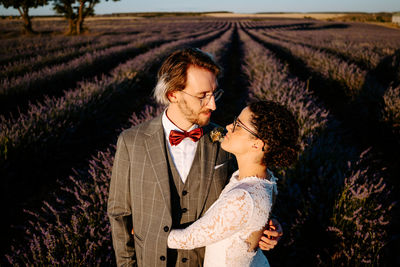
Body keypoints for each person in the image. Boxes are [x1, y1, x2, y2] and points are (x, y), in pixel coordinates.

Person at [107, 48, 282, 267]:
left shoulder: (225, 141)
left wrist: (265, 224)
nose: (213, 105)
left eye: (214, 93)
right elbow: (119, 214)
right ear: (173, 94)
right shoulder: (132, 142)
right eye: (202, 96)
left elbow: (249, 189)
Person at [167, 100, 300, 266]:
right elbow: (250, 214)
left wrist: (144, 231)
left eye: (238, 125)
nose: (228, 127)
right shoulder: (266, 179)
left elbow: (188, 239)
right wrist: (265, 223)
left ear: (256, 144)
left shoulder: (243, 198)